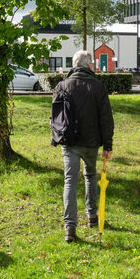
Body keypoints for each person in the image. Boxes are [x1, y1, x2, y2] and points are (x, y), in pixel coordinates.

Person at [51, 50, 114, 243]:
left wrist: (56, 137)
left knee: (70, 180)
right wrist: (107, 144)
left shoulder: (62, 85)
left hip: (68, 141)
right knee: (90, 176)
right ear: (88, 65)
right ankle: (92, 216)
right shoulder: (97, 86)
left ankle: (70, 227)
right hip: (91, 141)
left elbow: (54, 116)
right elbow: (106, 118)